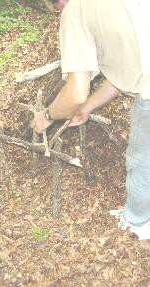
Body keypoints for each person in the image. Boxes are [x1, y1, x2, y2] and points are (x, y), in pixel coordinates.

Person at [31, 0, 150, 239]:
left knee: (141, 160)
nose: (60, 14)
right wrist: (86, 108)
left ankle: (137, 221)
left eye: (56, 10)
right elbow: (123, 73)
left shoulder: (75, 10)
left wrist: (47, 115)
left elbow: (75, 92)